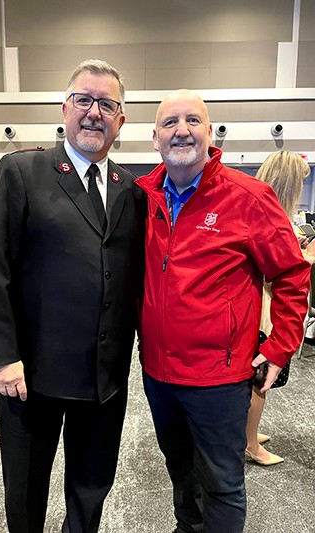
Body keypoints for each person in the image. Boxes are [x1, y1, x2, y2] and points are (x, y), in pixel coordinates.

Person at [0, 59, 145, 533]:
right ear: (65, 109)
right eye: (83, 100)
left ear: (120, 121)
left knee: (92, 486)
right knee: (27, 490)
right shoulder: (21, 171)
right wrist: (1, 357)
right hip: (30, 375)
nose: (94, 112)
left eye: (106, 104)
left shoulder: (131, 190)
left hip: (103, 377)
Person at [135, 90, 310, 533]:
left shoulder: (249, 198)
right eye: (170, 122)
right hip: (159, 374)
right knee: (180, 472)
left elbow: (292, 273)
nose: (181, 130)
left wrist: (280, 346)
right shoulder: (143, 199)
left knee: (222, 485)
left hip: (219, 377)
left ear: (210, 133)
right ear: (155, 138)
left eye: (193, 120)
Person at [245, 150, 311, 466]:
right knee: (260, 381)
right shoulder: (275, 221)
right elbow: (276, 275)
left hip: (262, 309)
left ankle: (248, 433)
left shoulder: (258, 214)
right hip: (266, 314)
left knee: (258, 380)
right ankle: (248, 444)